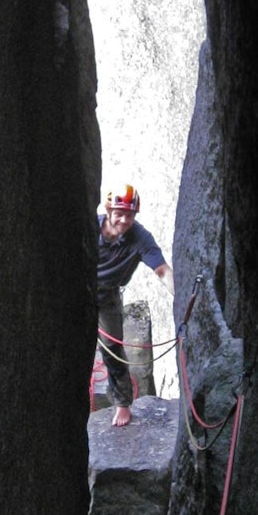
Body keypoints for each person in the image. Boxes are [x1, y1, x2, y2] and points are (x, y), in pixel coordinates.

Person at [97, 183, 175, 426]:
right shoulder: (90, 226)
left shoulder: (140, 238)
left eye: (129, 215)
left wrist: (182, 298)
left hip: (107, 297)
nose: (123, 220)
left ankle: (122, 403)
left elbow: (162, 271)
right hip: (79, 289)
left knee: (112, 348)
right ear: (109, 212)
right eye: (119, 214)